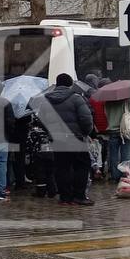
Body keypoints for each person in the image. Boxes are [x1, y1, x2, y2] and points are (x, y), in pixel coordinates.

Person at [35, 74, 94, 206]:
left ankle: (64, 197)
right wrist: (84, 133)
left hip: (57, 139)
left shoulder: (46, 100)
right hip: (76, 138)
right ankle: (78, 196)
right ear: (70, 84)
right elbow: (86, 119)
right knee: (82, 166)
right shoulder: (76, 99)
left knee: (62, 168)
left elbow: (42, 121)